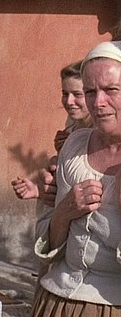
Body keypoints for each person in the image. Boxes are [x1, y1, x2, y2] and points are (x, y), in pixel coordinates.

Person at [31, 41, 121, 317]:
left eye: (111, 90)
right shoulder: (74, 146)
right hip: (56, 300)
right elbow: (47, 242)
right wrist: (65, 211)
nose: (98, 102)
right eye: (90, 91)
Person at [12, 60, 92, 203]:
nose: (69, 101)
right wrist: (38, 189)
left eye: (77, 94)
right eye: (65, 94)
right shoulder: (72, 124)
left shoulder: (103, 131)